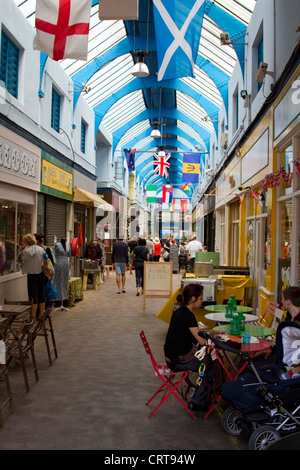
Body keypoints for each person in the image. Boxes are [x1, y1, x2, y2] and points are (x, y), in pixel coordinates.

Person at [164, 283, 217, 411]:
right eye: (200, 298)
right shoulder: (188, 316)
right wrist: (217, 339)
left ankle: (200, 396)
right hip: (178, 360)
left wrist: (211, 332)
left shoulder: (181, 312)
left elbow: (195, 333)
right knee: (211, 366)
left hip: (172, 356)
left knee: (209, 362)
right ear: (193, 299)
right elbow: (202, 341)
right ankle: (197, 401)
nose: (202, 300)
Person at [18, 233, 45, 319]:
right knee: (41, 294)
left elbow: (20, 261)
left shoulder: (25, 252)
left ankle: (32, 316)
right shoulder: (41, 249)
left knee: (33, 296)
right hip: (41, 274)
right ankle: (41, 314)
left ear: (26, 242)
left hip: (31, 276)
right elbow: (45, 260)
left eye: (23, 241)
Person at [53, 238, 70, 304]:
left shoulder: (68, 244)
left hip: (66, 263)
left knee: (65, 280)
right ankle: (58, 298)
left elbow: (69, 254)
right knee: (58, 280)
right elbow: (55, 255)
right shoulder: (57, 245)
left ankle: (64, 298)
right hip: (59, 263)